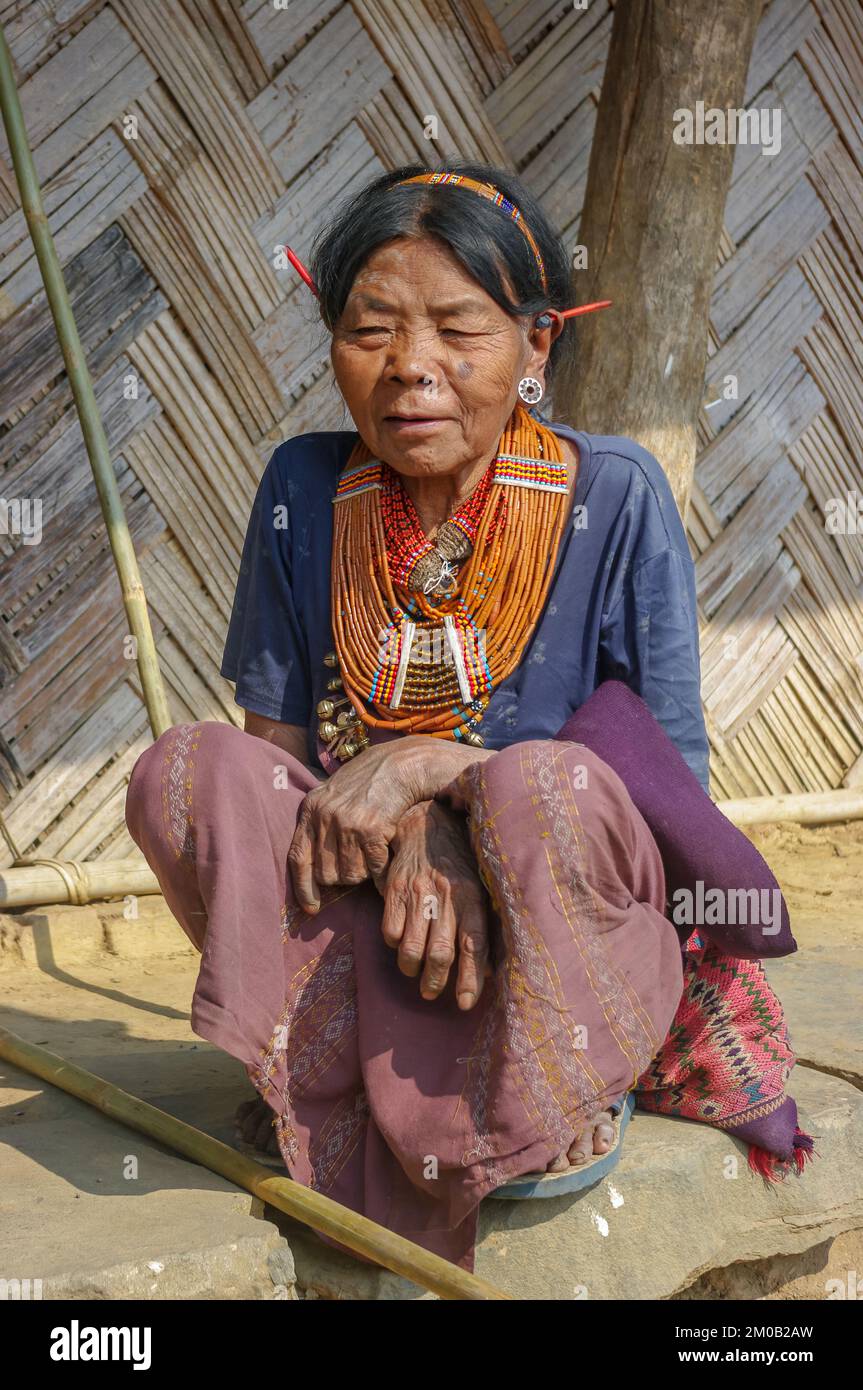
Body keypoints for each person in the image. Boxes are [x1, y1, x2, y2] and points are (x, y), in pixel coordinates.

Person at [126, 165, 805, 1269]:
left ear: (536, 347)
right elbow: (280, 761)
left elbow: (666, 779)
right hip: (366, 902)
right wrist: (399, 818)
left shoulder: (614, 493)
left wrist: (445, 774)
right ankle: (322, 1059)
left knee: (537, 783)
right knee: (185, 772)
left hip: (554, 897)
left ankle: (555, 1076)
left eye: (457, 329)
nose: (411, 370)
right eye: (371, 329)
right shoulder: (303, 486)